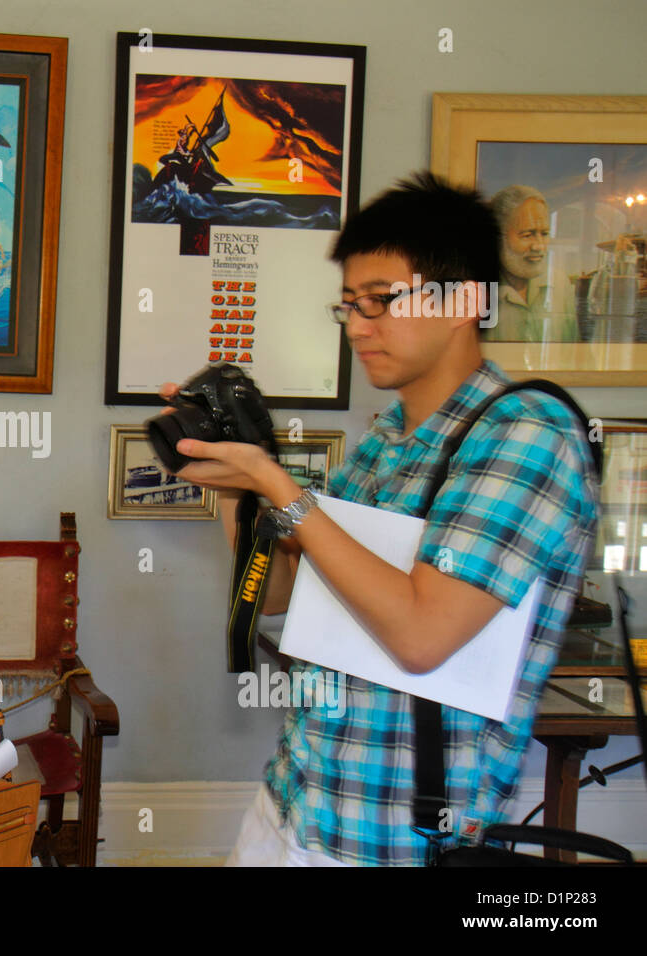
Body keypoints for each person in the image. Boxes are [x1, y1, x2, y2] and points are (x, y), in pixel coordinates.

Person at [168, 172, 599, 866]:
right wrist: (235, 483)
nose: (359, 327)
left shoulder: (529, 435)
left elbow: (422, 636)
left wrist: (277, 485)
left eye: (380, 302)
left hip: (398, 841)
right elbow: (280, 595)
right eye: (348, 307)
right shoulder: (385, 440)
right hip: (296, 801)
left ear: (462, 301)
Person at [488, 183, 578, 342]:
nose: (539, 246)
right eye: (527, 235)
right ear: (498, 237)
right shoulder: (476, 291)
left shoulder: (559, 285)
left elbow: (573, 354)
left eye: (544, 234)